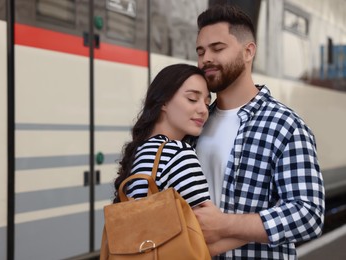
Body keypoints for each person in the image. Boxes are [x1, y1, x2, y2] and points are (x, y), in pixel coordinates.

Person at [193, 4, 325, 259]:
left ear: (248, 52)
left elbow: (309, 214)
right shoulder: (196, 124)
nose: (205, 58)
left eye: (217, 48)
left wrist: (223, 224)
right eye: (200, 51)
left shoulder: (285, 126)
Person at [113, 63, 245, 255]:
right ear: (163, 102)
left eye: (207, 103)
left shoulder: (140, 150)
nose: (203, 110)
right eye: (192, 99)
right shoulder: (177, 153)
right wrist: (258, 228)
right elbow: (209, 236)